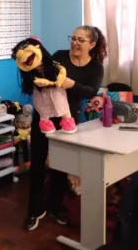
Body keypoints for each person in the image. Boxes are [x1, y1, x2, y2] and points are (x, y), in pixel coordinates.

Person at [24, 25, 107, 230]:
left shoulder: (95, 67)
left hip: (69, 119)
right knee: (37, 163)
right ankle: (35, 210)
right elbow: (40, 72)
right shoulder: (60, 56)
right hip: (44, 117)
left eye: (81, 40)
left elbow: (91, 91)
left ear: (92, 44)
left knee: (63, 164)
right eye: (73, 38)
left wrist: (70, 85)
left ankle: (55, 205)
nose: (75, 43)